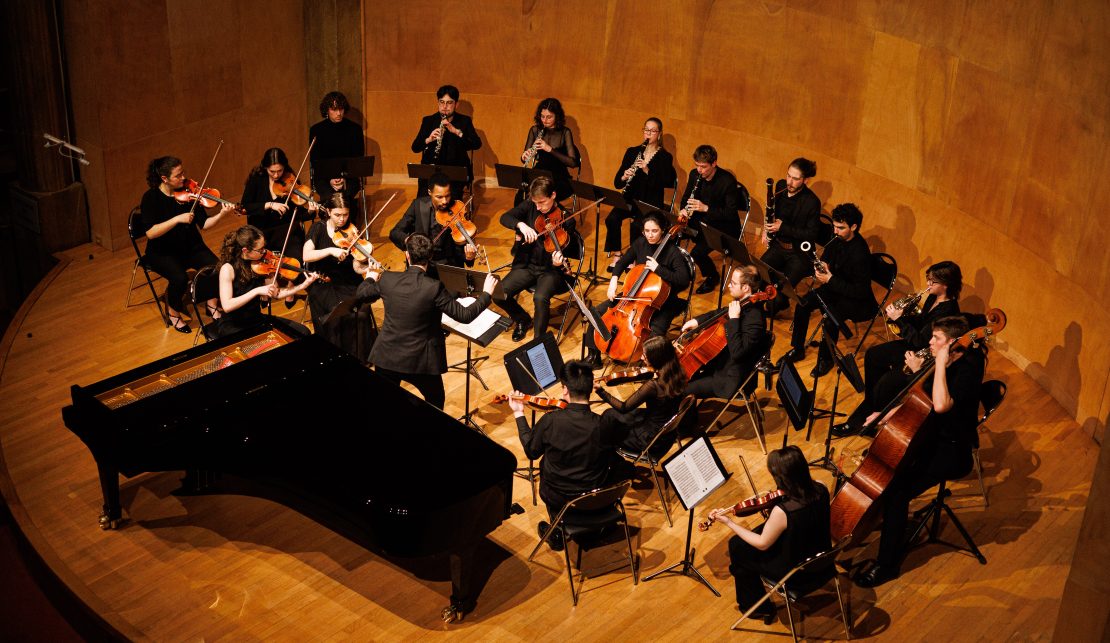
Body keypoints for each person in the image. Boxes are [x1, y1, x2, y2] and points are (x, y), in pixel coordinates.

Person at [852, 316, 985, 587]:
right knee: (886, 475)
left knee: (896, 492)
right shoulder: (947, 361)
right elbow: (920, 399)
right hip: (928, 437)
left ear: (952, 343)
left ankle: (887, 565)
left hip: (952, 449)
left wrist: (938, 364)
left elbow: (940, 405)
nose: (930, 342)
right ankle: (884, 521)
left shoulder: (969, 368)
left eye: (937, 339)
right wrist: (885, 412)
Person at [354, 233, 497, 410]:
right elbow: (464, 315)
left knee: (386, 403)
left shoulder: (388, 279)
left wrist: (370, 276)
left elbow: (362, 294)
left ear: (407, 255)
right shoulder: (433, 287)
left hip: (387, 357)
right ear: (430, 257)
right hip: (420, 361)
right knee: (436, 401)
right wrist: (486, 294)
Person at [510, 359, 633, 551]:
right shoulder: (603, 424)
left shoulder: (551, 421)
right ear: (591, 389)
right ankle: (598, 525)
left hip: (560, 497)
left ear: (565, 389)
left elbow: (531, 451)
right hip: (597, 494)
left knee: (544, 464)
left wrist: (519, 414)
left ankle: (557, 530)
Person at [832, 261, 963, 437]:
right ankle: (873, 406)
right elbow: (920, 325)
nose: (928, 285)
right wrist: (901, 315)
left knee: (886, 383)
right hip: (912, 346)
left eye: (932, 282)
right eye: (928, 280)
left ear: (945, 285)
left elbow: (920, 340)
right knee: (872, 355)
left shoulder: (949, 311)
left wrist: (900, 321)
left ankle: (862, 423)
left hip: (923, 356)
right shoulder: (933, 298)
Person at [706, 446, 831, 620]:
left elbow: (762, 544)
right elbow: (805, 518)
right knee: (744, 543)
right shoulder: (822, 487)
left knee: (737, 547)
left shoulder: (782, 512)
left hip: (797, 573)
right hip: (823, 559)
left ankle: (756, 607)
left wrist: (728, 522)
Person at [139, 155, 237, 333]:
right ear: (164, 179)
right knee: (179, 278)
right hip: (162, 252)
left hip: (191, 247)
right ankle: (173, 311)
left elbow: (204, 225)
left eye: (183, 172)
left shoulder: (190, 193)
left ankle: (211, 304)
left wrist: (222, 215)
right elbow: (151, 233)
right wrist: (177, 219)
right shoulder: (151, 198)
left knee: (217, 268)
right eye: (178, 175)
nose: (183, 178)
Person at [780, 203, 875, 377]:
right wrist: (823, 264)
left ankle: (827, 360)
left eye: (840, 228)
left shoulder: (860, 254)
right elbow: (827, 256)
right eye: (834, 226)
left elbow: (860, 291)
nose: (836, 231)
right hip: (834, 288)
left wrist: (830, 279)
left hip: (856, 301)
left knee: (830, 319)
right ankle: (798, 349)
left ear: (853, 227)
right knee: (803, 303)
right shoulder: (836, 238)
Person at [582, 213, 690, 366]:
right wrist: (613, 281)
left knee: (657, 330)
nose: (650, 235)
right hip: (633, 295)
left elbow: (683, 279)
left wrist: (659, 269)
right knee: (598, 312)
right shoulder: (641, 243)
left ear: (663, 231)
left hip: (662, 301)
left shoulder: (672, 252)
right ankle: (593, 356)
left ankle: (647, 364)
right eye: (647, 231)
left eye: (654, 231)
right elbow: (621, 263)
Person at [495, 176, 583, 343]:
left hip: (551, 271)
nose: (538, 207)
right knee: (499, 294)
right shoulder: (530, 206)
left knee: (540, 298)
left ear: (553, 195)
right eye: (536, 203)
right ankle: (522, 319)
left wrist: (557, 262)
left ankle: (539, 342)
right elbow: (505, 217)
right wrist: (521, 225)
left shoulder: (567, 218)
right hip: (527, 266)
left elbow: (567, 248)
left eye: (542, 202)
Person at [680, 266, 768, 400]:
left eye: (733, 283)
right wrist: (697, 321)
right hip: (719, 364)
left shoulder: (755, 320)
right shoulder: (743, 303)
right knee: (677, 380)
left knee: (679, 391)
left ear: (745, 288)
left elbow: (738, 353)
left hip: (729, 379)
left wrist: (734, 320)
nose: (729, 285)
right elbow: (720, 313)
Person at [594, 336, 689, 458]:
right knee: (611, 416)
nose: (641, 357)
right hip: (667, 433)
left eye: (645, 355)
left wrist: (600, 391)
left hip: (649, 440)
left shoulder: (653, 386)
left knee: (609, 420)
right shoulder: (678, 372)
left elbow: (624, 407)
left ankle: (607, 458)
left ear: (656, 358)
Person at [214, 225, 315, 338]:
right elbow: (227, 305)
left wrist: (302, 286)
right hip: (233, 326)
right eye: (260, 250)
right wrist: (256, 291)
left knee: (303, 332)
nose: (264, 252)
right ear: (245, 250)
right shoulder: (228, 269)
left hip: (256, 319)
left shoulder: (261, 265)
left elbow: (276, 293)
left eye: (264, 248)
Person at [604, 118, 677, 270]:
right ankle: (618, 254)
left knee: (637, 225)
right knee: (612, 219)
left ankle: (634, 260)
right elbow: (618, 183)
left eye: (652, 131)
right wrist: (625, 175)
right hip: (630, 197)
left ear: (659, 133)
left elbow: (665, 182)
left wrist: (646, 170)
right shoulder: (632, 152)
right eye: (646, 130)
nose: (648, 134)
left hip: (649, 202)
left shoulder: (665, 157)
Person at [301, 192, 366, 350]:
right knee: (334, 311)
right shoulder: (318, 228)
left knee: (360, 308)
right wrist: (330, 250)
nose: (342, 219)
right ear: (328, 211)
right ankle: (333, 351)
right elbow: (306, 255)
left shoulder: (351, 229)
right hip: (324, 281)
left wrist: (365, 268)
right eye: (337, 215)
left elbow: (356, 266)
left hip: (347, 279)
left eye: (345, 214)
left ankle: (356, 353)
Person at [676, 145, 741, 294]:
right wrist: (684, 209)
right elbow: (686, 198)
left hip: (722, 227)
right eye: (697, 165)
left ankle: (712, 276)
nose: (699, 170)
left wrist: (706, 208)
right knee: (673, 234)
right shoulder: (694, 175)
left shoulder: (727, 181)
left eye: (703, 167)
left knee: (697, 253)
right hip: (700, 221)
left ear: (714, 164)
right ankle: (676, 269)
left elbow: (730, 214)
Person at [760, 157, 821, 314]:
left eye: (795, 179)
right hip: (778, 245)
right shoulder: (780, 186)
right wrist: (765, 229)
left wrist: (783, 227)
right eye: (788, 176)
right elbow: (771, 210)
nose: (789, 182)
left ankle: (780, 303)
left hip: (798, 254)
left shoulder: (812, 202)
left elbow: (811, 234)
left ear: (806, 180)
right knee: (757, 274)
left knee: (779, 294)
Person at [241, 147, 318, 264]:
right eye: (272, 171)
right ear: (265, 167)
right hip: (262, 232)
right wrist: (269, 205)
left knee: (294, 261)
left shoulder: (290, 179)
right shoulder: (256, 180)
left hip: (286, 230)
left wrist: (310, 212)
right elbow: (245, 207)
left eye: (280, 171)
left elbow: (297, 215)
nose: (276, 175)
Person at [388, 172, 477, 269]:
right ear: (430, 193)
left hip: (448, 264)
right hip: (422, 263)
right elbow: (395, 233)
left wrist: (469, 257)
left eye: (447, 196)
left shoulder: (457, 208)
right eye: (439, 197)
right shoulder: (418, 205)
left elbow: (462, 246)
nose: (445, 201)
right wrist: (411, 241)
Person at [410, 84, 482, 198]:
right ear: (438, 103)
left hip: (456, 171)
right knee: (422, 200)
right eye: (442, 102)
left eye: (449, 103)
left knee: (449, 202)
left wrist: (457, 132)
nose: (445, 106)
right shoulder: (428, 121)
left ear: (456, 104)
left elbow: (477, 144)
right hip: (431, 169)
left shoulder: (464, 121)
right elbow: (415, 147)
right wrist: (428, 139)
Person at [520, 97, 580, 202]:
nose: (545, 120)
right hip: (539, 172)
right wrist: (524, 156)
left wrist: (549, 149)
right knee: (522, 194)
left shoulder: (565, 133)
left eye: (549, 117)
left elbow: (572, 163)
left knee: (546, 194)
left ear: (557, 116)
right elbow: (524, 158)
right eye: (542, 116)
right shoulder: (535, 130)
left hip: (558, 175)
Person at [309, 91, 365, 195]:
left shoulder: (355, 129)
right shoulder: (316, 130)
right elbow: (315, 161)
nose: (338, 113)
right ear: (327, 110)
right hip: (324, 176)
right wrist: (330, 179)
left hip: (349, 176)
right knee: (328, 194)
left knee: (347, 194)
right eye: (334, 109)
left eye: (341, 109)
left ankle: (349, 210)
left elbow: (358, 159)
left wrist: (343, 177)